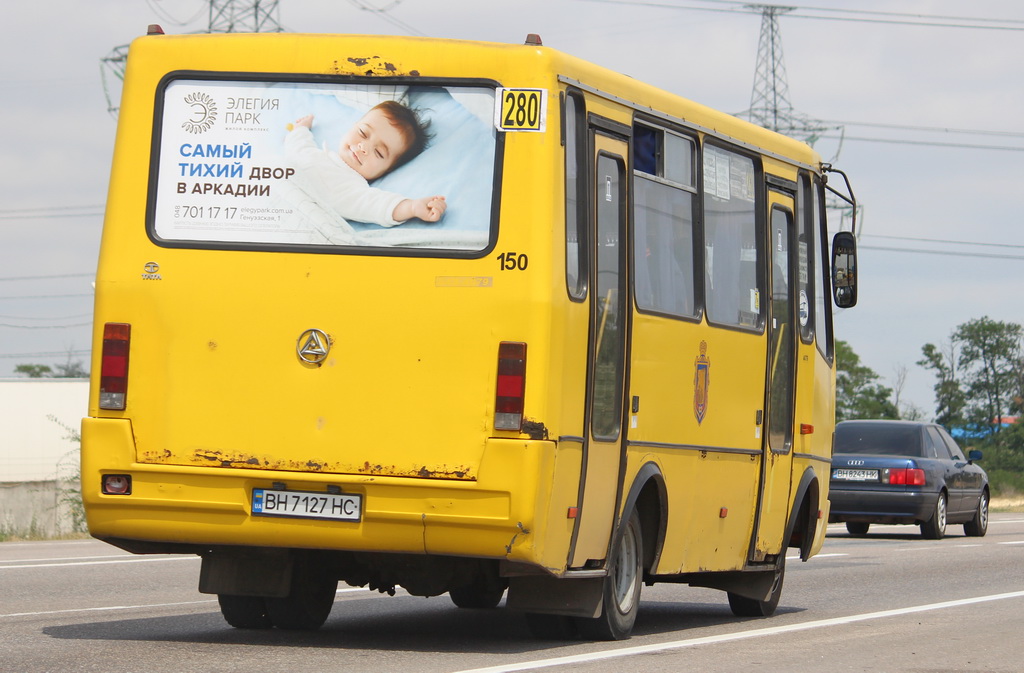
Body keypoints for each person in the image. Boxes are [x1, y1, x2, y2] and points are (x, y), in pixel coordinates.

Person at [284, 101, 446, 227]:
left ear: (386, 171)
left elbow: (378, 205)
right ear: (353, 126)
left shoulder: (351, 188)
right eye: (362, 133)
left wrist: (412, 207)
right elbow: (298, 146)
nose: (364, 148)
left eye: (379, 153)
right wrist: (301, 129)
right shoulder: (316, 154)